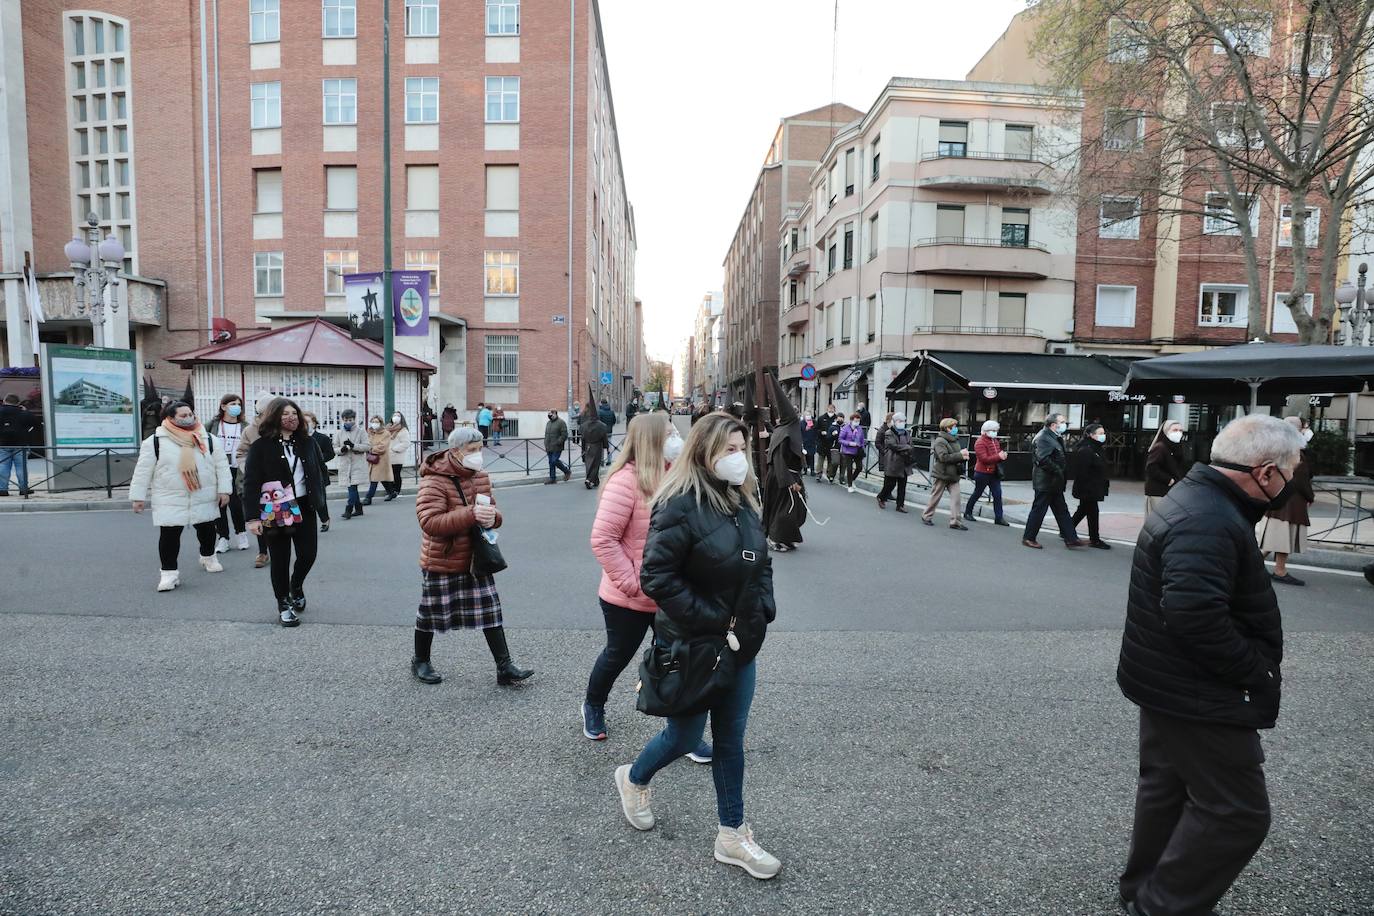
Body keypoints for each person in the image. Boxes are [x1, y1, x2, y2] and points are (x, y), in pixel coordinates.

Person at [1116, 413, 1301, 916]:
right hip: (1198, 690)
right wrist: (1256, 670)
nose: (1293, 481)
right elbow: (1194, 615)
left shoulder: (1201, 500)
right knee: (1237, 812)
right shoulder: (1210, 517)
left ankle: (1144, 886)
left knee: (1168, 786)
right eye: (1293, 471)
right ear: (1266, 473)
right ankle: (1162, 904)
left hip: (1164, 678)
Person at [614, 412, 780, 880]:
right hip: (691, 647)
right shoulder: (678, 504)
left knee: (730, 741)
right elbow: (658, 577)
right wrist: (714, 621)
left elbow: (761, 564)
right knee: (685, 737)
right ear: (703, 452)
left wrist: (762, 610)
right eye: (728, 449)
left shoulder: (743, 502)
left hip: (741, 643)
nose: (738, 457)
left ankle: (732, 835)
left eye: (742, 447)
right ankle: (634, 778)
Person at [584, 413, 704, 755]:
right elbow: (603, 540)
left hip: (672, 595)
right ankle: (593, 705)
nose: (676, 439)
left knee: (677, 661)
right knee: (617, 655)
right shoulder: (625, 482)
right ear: (651, 440)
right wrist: (636, 584)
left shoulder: (678, 477)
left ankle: (684, 734)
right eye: (669, 434)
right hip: (629, 596)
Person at [411, 426, 533, 686]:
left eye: (480, 449)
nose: (478, 455)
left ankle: (505, 666)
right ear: (455, 452)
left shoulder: (480, 476)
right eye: (472, 451)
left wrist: (494, 518)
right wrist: (471, 514)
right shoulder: (434, 479)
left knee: (490, 610)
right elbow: (429, 522)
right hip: (442, 558)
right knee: (431, 613)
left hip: (475, 557)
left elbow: (492, 512)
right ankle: (420, 660)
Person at [129, 400, 232, 591]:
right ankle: (169, 573)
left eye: (190, 414)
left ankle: (208, 556)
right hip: (169, 496)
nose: (188, 418)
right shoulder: (155, 441)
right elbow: (143, 470)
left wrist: (224, 490)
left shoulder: (207, 438)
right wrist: (138, 497)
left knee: (207, 529)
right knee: (169, 535)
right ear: (170, 418)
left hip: (203, 493)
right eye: (183, 416)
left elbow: (221, 466)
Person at [242, 398, 327, 627]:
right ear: (274, 417)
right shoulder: (262, 446)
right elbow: (251, 482)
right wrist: (251, 517)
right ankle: (283, 603)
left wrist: (322, 508)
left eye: (294, 413)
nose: (292, 418)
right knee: (280, 559)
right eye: (285, 414)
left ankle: (295, 585)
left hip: (305, 506)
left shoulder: (307, 442)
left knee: (308, 554)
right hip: (276, 508)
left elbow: (319, 474)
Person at [1256, 417, 1315, 586]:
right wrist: (1310, 496)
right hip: (1291, 501)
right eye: (1303, 428)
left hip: (1277, 496)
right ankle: (1279, 571)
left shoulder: (1275, 446)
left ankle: (1253, 566)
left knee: (1276, 537)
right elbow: (1301, 478)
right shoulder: (1294, 450)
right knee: (1283, 537)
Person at [1022, 414, 1085, 550]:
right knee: (1039, 510)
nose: (1064, 424)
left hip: (1053, 481)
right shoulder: (1044, 437)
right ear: (1053, 424)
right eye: (1062, 422)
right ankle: (1029, 538)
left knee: (1062, 510)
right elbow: (1042, 459)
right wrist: (1058, 470)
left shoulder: (1053, 436)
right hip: (1046, 481)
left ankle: (1071, 538)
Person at [761, 376, 806, 553]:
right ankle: (775, 538)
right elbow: (778, 459)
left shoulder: (785, 429)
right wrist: (789, 481)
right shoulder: (785, 432)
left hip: (789, 474)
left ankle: (788, 537)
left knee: (795, 509)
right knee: (784, 510)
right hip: (783, 476)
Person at [236, 393, 277, 568]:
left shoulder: (283, 426)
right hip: (259, 484)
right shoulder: (250, 430)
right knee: (262, 518)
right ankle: (262, 552)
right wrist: (250, 470)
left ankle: (278, 550)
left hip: (280, 483)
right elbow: (241, 453)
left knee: (278, 517)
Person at [208, 394, 250, 552]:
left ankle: (241, 534)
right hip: (217, 470)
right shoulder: (213, 425)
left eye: (239, 404)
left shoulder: (245, 426)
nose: (236, 407)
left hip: (237, 470)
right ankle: (223, 537)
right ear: (223, 406)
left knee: (236, 504)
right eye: (232, 403)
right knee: (220, 505)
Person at [1069, 423, 1112, 550]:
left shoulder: (1097, 448)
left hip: (1094, 486)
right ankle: (1094, 539)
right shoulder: (1087, 450)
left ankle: (1067, 529)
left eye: (1103, 433)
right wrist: (1087, 488)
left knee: (1083, 510)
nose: (1103, 436)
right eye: (1099, 433)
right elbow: (1082, 472)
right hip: (1088, 487)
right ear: (1091, 435)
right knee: (1092, 512)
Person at [922, 418, 969, 530]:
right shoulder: (940, 441)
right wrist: (960, 455)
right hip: (942, 474)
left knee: (956, 498)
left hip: (953, 474)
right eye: (954, 427)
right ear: (947, 428)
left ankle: (955, 522)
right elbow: (943, 457)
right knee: (936, 496)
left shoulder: (954, 439)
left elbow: (955, 456)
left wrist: (963, 457)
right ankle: (926, 516)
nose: (956, 429)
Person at [963, 419, 1009, 526]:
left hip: (994, 472)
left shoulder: (995, 441)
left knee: (997, 495)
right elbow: (984, 459)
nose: (995, 432)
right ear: (986, 430)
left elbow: (996, 456)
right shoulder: (980, 442)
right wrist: (998, 456)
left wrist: (1002, 457)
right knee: (977, 493)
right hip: (982, 472)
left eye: (996, 430)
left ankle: (999, 517)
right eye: (993, 430)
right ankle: (968, 512)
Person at [1145, 421, 1188, 517]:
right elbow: (1151, 468)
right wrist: (1169, 480)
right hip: (1159, 492)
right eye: (1175, 430)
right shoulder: (1160, 447)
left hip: (1171, 492)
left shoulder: (1177, 448)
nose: (1178, 433)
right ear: (1166, 432)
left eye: (1180, 430)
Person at [333, 408, 370, 520]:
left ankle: (348, 509)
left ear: (354, 419)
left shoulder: (361, 431)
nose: (348, 422)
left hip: (357, 464)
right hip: (345, 464)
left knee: (352, 487)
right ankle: (358, 509)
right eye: (346, 420)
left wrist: (354, 445)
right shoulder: (339, 433)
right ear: (343, 420)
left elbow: (367, 446)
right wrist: (342, 449)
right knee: (352, 486)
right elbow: (335, 447)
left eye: (351, 419)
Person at [0, 393, 37, 496]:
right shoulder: (23, 412)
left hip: (3, 444)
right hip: (21, 444)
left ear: (4, 401)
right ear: (18, 403)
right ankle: (23, 489)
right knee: (21, 467)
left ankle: (2, 489)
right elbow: (35, 423)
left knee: (3, 466)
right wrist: (26, 411)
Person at [304, 412, 335, 532]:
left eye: (309, 422)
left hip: (319, 473)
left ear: (314, 423)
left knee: (319, 498)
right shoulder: (298, 439)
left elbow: (331, 454)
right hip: (303, 474)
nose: (306, 425)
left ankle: (324, 519)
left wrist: (317, 458)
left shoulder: (322, 438)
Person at [875, 412, 913, 512]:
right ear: (895, 422)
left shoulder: (906, 433)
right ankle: (881, 497)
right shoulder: (889, 432)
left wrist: (907, 448)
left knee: (902, 485)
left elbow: (911, 444)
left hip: (904, 462)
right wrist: (906, 447)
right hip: (893, 461)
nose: (902, 423)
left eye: (904, 421)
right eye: (900, 421)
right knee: (890, 484)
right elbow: (893, 445)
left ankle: (900, 505)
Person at [363, 415, 392, 505]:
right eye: (373, 422)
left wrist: (371, 448)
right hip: (371, 459)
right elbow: (365, 443)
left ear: (381, 423)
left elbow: (383, 447)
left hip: (381, 459)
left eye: (376, 422)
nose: (374, 424)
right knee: (382, 478)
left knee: (374, 478)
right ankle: (391, 492)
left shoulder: (386, 433)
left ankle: (368, 497)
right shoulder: (370, 432)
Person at [384, 411, 411, 501]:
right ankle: (391, 491)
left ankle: (397, 491)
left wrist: (394, 449)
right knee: (387, 475)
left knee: (396, 474)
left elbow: (406, 443)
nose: (396, 417)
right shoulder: (388, 428)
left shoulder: (403, 429)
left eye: (398, 416)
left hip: (397, 455)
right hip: (387, 455)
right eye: (394, 415)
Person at [580, 405, 609, 489]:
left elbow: (583, 438)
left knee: (589, 464)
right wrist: (606, 447)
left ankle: (595, 480)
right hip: (597, 446)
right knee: (596, 464)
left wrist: (583, 449)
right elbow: (604, 437)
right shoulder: (602, 425)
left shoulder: (584, 425)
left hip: (587, 446)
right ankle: (589, 480)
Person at [543, 408, 572, 484]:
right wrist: (545, 443)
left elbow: (564, 435)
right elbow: (546, 434)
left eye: (551, 414)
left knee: (554, 460)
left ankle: (567, 471)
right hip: (549, 446)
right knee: (551, 462)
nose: (550, 416)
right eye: (549, 415)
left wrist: (558, 442)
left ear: (555, 414)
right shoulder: (548, 423)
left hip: (557, 446)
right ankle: (552, 478)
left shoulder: (561, 422)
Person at [837, 413, 865, 491]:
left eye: (858, 421)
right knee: (849, 468)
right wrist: (849, 443)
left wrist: (862, 447)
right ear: (851, 420)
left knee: (859, 467)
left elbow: (862, 439)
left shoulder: (859, 429)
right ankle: (849, 485)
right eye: (855, 421)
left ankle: (852, 479)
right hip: (848, 451)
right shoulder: (845, 428)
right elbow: (840, 439)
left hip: (857, 450)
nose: (857, 422)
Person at [816, 404, 841, 483]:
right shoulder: (821, 418)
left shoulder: (836, 419)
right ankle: (818, 474)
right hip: (822, 442)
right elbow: (816, 429)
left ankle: (830, 475)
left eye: (832, 409)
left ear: (834, 410)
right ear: (827, 409)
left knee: (831, 460)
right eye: (829, 409)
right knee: (821, 458)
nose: (831, 410)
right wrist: (821, 432)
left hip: (832, 443)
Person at [799, 411, 818, 476]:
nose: (808, 416)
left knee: (811, 455)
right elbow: (800, 432)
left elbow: (816, 430)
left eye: (809, 414)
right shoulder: (801, 423)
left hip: (812, 441)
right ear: (804, 416)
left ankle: (812, 470)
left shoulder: (814, 422)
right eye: (806, 415)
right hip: (804, 441)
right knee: (805, 456)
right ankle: (805, 469)